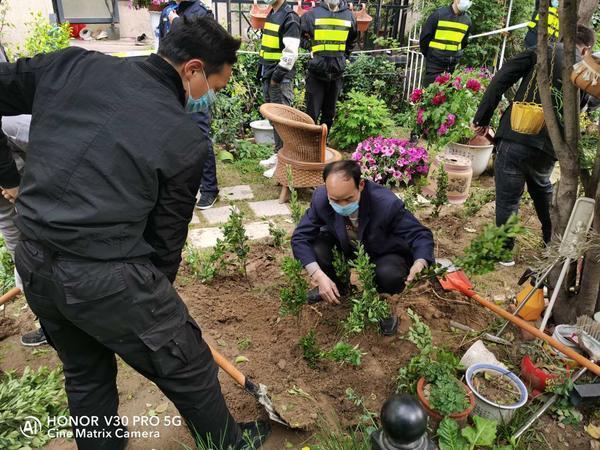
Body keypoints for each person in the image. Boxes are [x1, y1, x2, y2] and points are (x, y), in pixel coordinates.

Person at [0, 16, 269, 449]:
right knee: (190, 365)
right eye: (214, 87)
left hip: (33, 262)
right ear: (193, 69)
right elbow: (165, 244)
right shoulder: (183, 137)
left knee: (85, 369)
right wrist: (156, 319)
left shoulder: (73, 65)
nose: (209, 98)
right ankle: (229, 445)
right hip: (105, 277)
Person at [473, 25, 595, 264]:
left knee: (508, 198)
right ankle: (552, 243)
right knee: (541, 189)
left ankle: (504, 253)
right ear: (587, 48)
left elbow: (501, 78)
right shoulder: (583, 69)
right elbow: (586, 108)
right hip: (551, 145)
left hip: (517, 133)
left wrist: (482, 118)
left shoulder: (541, 51)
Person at [291, 161, 435, 335]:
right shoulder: (321, 199)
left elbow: (420, 234)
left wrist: (420, 263)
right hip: (347, 245)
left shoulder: (385, 204)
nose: (342, 206)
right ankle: (338, 286)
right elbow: (300, 237)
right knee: (317, 248)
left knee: (389, 274)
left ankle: (386, 304)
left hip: (382, 252)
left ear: (361, 185)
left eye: (349, 199)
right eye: (335, 200)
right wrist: (318, 275)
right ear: (327, 189)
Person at [158, 0, 220, 210]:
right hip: (175, 82)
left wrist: (177, 25)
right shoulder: (172, 11)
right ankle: (183, 185)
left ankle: (210, 189)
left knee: (200, 136)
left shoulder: (201, 13)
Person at [258, 0, 300, 178]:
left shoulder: (290, 17)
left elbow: (291, 53)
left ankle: (285, 163)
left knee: (283, 122)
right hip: (269, 75)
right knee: (275, 120)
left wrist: (276, 79)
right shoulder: (272, 13)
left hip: (279, 79)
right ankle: (278, 155)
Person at [300, 0, 357, 132]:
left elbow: (352, 39)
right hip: (316, 73)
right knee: (311, 114)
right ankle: (310, 145)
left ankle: (323, 144)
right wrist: (310, 47)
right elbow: (298, 34)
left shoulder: (349, 16)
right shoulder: (312, 15)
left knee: (329, 114)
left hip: (337, 73)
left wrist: (344, 57)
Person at [419, 0, 473, 87]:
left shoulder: (467, 21)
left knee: (446, 98)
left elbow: (463, 43)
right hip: (434, 66)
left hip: (452, 68)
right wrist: (431, 56)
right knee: (430, 95)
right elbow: (424, 40)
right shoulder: (438, 15)